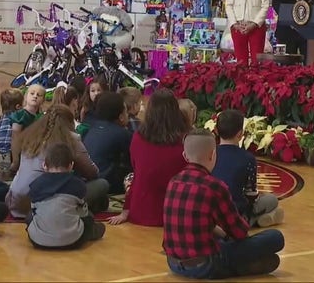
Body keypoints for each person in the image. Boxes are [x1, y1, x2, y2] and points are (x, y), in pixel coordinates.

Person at [163, 129, 285, 279]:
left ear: (185, 156)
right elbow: (239, 232)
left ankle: (241, 265)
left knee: (231, 244)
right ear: (213, 154)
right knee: (275, 237)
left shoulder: (173, 181)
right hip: (205, 264)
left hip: (173, 262)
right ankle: (240, 265)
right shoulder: (214, 186)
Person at [7, 104, 108, 219]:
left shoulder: (30, 136)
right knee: (101, 184)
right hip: (45, 206)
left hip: (16, 203)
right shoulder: (71, 139)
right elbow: (92, 173)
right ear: (70, 122)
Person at [108, 89, 190, 227]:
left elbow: (137, 173)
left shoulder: (138, 137)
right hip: (175, 212)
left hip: (140, 209)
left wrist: (126, 209)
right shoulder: (185, 140)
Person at [27, 142, 106, 250]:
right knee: (90, 220)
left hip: (38, 241)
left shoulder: (35, 185)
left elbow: (34, 211)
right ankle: (93, 232)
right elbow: (83, 213)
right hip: (73, 242)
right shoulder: (78, 185)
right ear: (71, 165)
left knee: (29, 217)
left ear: (44, 165)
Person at [212, 109, 284, 227]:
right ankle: (256, 219)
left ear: (216, 130)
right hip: (236, 212)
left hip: (212, 211)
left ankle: (259, 218)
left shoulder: (210, 153)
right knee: (271, 200)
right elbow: (251, 194)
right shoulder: (248, 158)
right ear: (240, 134)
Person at [82, 92, 133, 194]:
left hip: (86, 181)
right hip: (107, 183)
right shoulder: (122, 133)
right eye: (126, 111)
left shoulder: (92, 127)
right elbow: (134, 160)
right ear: (121, 116)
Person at [9, 84, 45, 173]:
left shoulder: (42, 117)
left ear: (43, 100)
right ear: (26, 96)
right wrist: (15, 161)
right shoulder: (19, 115)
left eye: (39, 95)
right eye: (32, 93)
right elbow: (15, 139)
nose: (35, 96)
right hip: (21, 153)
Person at [0, 88, 24, 180]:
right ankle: (7, 173)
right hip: (9, 156)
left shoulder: (1, 117)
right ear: (18, 107)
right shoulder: (19, 119)